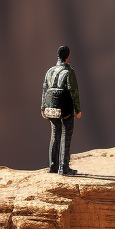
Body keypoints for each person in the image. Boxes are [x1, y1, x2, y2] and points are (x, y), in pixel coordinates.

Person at [41, 45, 81, 176]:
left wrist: (43, 108)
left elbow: (44, 90)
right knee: (66, 137)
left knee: (54, 136)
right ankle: (64, 168)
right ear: (68, 56)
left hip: (51, 109)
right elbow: (74, 92)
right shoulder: (69, 72)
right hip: (65, 110)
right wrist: (77, 109)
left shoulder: (50, 71)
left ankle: (53, 166)